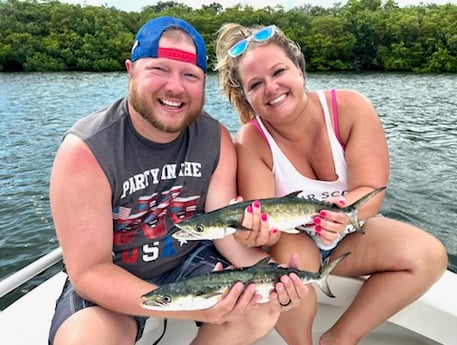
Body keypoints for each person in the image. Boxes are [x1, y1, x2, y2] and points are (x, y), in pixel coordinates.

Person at [48, 17, 308, 345]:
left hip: (189, 263)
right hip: (118, 275)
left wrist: (275, 275)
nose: (175, 87)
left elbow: (225, 236)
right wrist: (188, 306)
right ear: (131, 70)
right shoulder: (86, 151)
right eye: (159, 70)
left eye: (190, 75)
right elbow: (89, 272)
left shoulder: (215, 139)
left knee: (262, 306)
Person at [215, 23, 448, 345]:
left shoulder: (350, 109)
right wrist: (253, 233)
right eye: (255, 84)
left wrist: (340, 215)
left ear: (299, 69)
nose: (271, 88)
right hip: (293, 239)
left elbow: (370, 189)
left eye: (279, 71)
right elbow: (265, 218)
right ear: (247, 96)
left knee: (429, 256)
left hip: (351, 232)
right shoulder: (251, 141)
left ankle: (339, 340)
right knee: (292, 272)